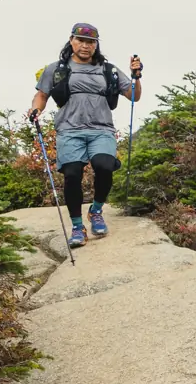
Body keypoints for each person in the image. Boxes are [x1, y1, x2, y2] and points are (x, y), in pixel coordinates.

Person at [28, 23, 142, 248]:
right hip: (69, 130)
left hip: (101, 129)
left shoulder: (107, 70)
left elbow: (133, 95)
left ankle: (96, 211)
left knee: (105, 166)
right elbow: (42, 95)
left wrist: (136, 77)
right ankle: (77, 227)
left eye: (90, 42)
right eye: (80, 40)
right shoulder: (56, 69)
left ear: (96, 45)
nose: (85, 45)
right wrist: (35, 110)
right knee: (72, 174)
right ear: (71, 40)